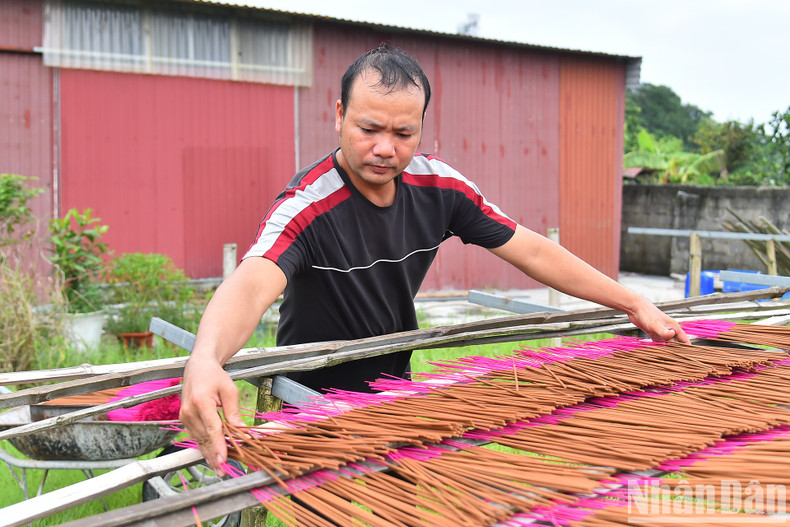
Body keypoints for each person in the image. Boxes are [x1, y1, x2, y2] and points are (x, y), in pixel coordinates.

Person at [180, 43, 689, 475]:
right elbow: (251, 283)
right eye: (368, 128)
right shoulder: (307, 206)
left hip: (394, 387)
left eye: (403, 134)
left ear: (422, 128)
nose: (385, 148)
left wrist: (632, 303)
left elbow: (531, 249)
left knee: (401, 501)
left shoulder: (440, 189)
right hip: (310, 396)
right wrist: (205, 359)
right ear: (338, 116)